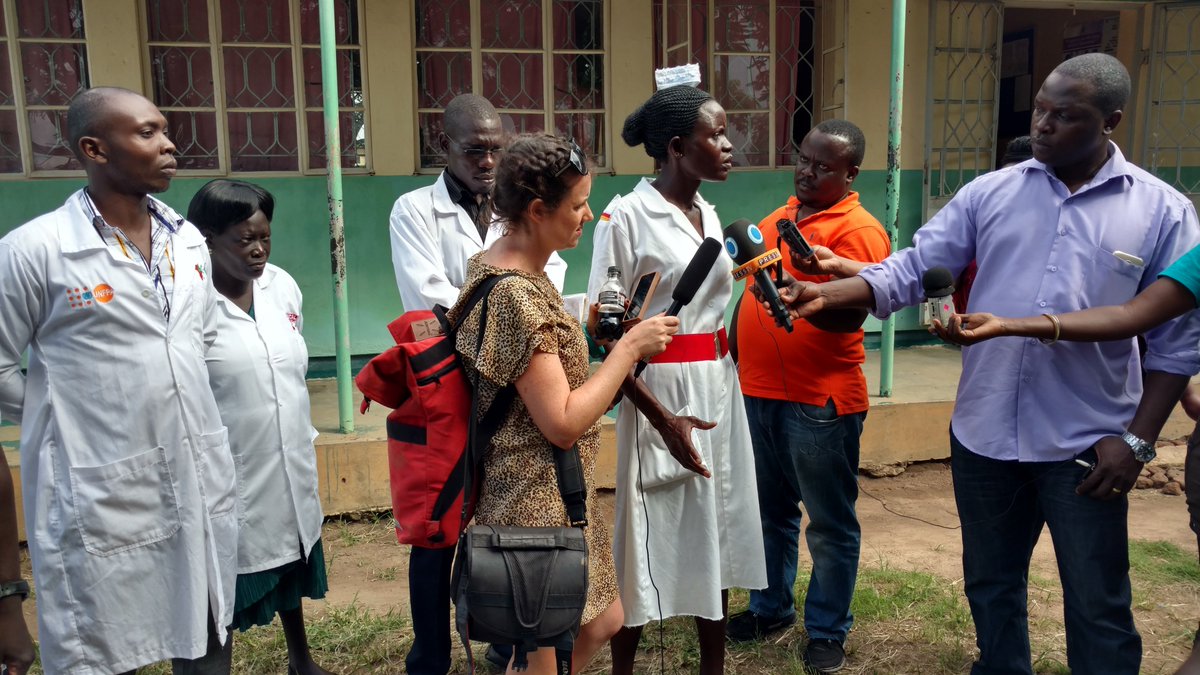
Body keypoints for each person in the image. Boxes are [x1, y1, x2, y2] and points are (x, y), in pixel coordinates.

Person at [774, 53, 1200, 674]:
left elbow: (1175, 343)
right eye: (1040, 109)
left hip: (1089, 442)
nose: (1044, 125)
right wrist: (832, 293)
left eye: (1065, 115)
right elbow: (915, 267)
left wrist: (1137, 441)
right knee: (991, 587)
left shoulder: (1162, 211)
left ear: (1111, 121)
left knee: (1098, 602)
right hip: (985, 432)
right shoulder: (991, 192)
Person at [0, 87, 238, 674]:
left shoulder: (188, 240)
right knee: (104, 641)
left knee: (206, 627)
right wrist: (75, 415)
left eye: (165, 130)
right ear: (94, 149)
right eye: (147, 133)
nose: (169, 144)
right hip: (99, 486)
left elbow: (201, 336)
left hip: (195, 471)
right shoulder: (35, 251)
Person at [448, 133, 679, 675]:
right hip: (531, 502)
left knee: (603, 619)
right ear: (537, 210)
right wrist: (628, 349)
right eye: (577, 205)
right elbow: (563, 421)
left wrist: (587, 336)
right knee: (548, 650)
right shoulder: (515, 294)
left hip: (558, 490)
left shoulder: (512, 270)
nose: (588, 216)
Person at [588, 83, 767, 675]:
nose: (728, 144)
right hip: (659, 389)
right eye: (715, 134)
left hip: (718, 382)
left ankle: (713, 666)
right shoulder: (625, 217)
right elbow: (607, 333)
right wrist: (662, 420)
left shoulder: (708, 213)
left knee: (714, 525)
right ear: (675, 147)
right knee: (647, 537)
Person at [387, 93, 564, 673]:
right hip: (448, 385)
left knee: (506, 514)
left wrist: (510, 314)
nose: (487, 161)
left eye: (496, 150)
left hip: (513, 387)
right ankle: (430, 654)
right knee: (440, 523)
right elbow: (431, 298)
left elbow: (547, 275)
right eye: (474, 150)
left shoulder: (520, 205)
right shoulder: (414, 210)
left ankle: (505, 641)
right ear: (444, 145)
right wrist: (507, 314)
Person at [726, 119, 890, 673]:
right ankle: (769, 607)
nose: (808, 171)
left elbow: (853, 315)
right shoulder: (780, 218)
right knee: (769, 513)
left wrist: (808, 303)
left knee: (829, 523)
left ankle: (826, 629)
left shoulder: (859, 230)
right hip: (757, 392)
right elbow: (748, 283)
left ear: (851, 173)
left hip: (819, 401)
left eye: (824, 166)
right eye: (804, 159)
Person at [187, 180, 332, 675]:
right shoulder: (190, 301)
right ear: (207, 240)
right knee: (218, 591)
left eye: (265, 238)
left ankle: (301, 661)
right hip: (223, 470)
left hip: (288, 456)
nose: (258, 251)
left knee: (291, 556)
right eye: (244, 240)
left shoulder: (280, 285)